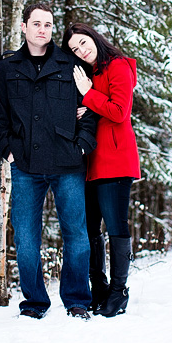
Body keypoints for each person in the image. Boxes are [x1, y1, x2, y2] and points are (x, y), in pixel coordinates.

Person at [0, 3, 97, 320]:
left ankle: (77, 300)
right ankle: (35, 303)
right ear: (24, 27)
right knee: (25, 237)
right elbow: (0, 115)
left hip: (68, 164)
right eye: (36, 24)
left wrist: (82, 145)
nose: (43, 29)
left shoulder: (70, 64)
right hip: (26, 165)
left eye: (48, 24)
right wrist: (8, 150)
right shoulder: (9, 67)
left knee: (77, 235)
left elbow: (91, 107)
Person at [62, 22, 140, 317]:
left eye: (83, 42)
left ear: (93, 37)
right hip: (92, 161)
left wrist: (89, 96)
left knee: (116, 227)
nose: (81, 50)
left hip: (116, 160)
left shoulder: (117, 66)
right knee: (91, 228)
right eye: (75, 49)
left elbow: (120, 112)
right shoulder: (90, 73)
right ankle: (100, 287)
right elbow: (95, 108)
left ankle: (119, 292)